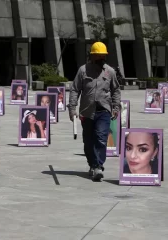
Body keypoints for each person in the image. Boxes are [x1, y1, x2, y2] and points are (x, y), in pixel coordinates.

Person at [68, 41, 121, 181]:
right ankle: (92, 165)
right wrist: (72, 108)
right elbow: (75, 89)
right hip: (87, 112)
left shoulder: (110, 71)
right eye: (97, 56)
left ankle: (98, 166)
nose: (100, 59)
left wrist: (116, 107)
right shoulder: (83, 71)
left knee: (101, 138)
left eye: (102, 56)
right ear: (91, 56)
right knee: (88, 141)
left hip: (104, 111)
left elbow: (116, 90)